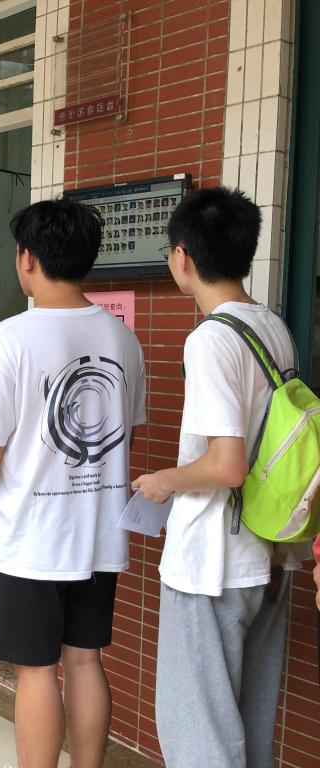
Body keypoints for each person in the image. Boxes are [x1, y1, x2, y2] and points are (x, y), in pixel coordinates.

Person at [0, 199, 145, 768]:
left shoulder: (11, 337)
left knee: (36, 669)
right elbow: (125, 433)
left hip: (30, 537)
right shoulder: (122, 338)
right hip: (99, 534)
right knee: (85, 660)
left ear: (27, 258)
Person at [131, 187, 305, 768]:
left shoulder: (210, 338)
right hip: (268, 552)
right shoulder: (272, 327)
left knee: (199, 731)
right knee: (250, 723)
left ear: (182, 256)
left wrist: (164, 481)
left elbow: (226, 464)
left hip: (212, 561)